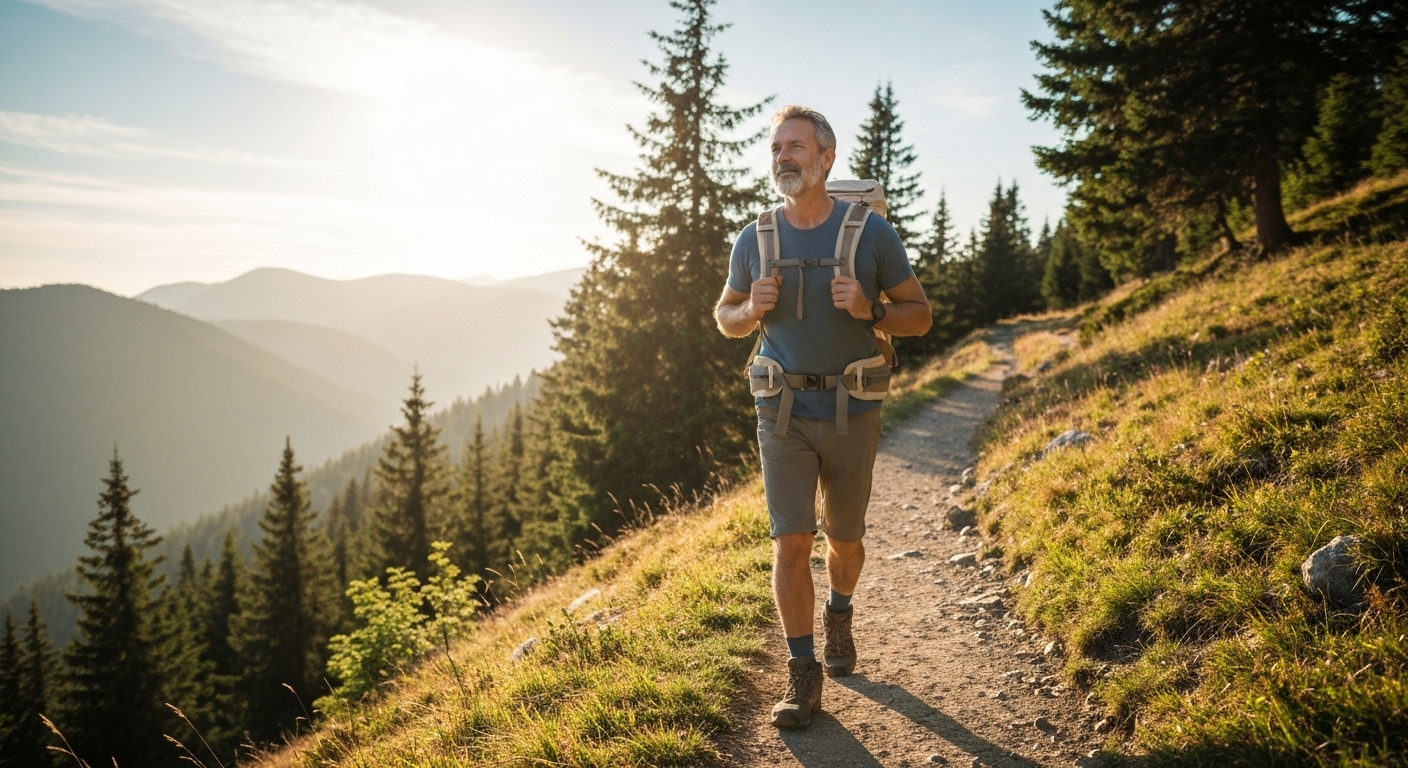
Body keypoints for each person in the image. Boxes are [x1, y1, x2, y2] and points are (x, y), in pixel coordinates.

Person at [714, 105, 933, 728]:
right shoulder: (754, 239)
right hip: (780, 411)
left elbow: (919, 314)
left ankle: (840, 610)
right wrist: (748, 310)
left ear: (826, 158)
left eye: (796, 147)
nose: (784, 156)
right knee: (790, 540)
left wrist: (871, 310)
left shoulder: (871, 235)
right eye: (777, 147)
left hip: (852, 411)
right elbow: (724, 317)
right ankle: (802, 673)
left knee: (845, 538)